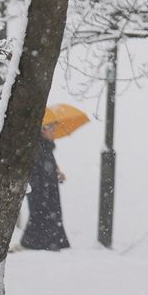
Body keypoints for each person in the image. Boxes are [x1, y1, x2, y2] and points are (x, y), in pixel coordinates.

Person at [19, 104, 87, 251]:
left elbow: (47, 170)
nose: (54, 131)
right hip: (41, 193)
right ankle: (41, 244)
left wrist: (56, 175)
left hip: (47, 192)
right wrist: (49, 177)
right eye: (52, 128)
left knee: (47, 218)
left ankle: (44, 243)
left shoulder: (46, 147)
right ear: (42, 129)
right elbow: (36, 172)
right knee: (42, 218)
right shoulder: (38, 147)